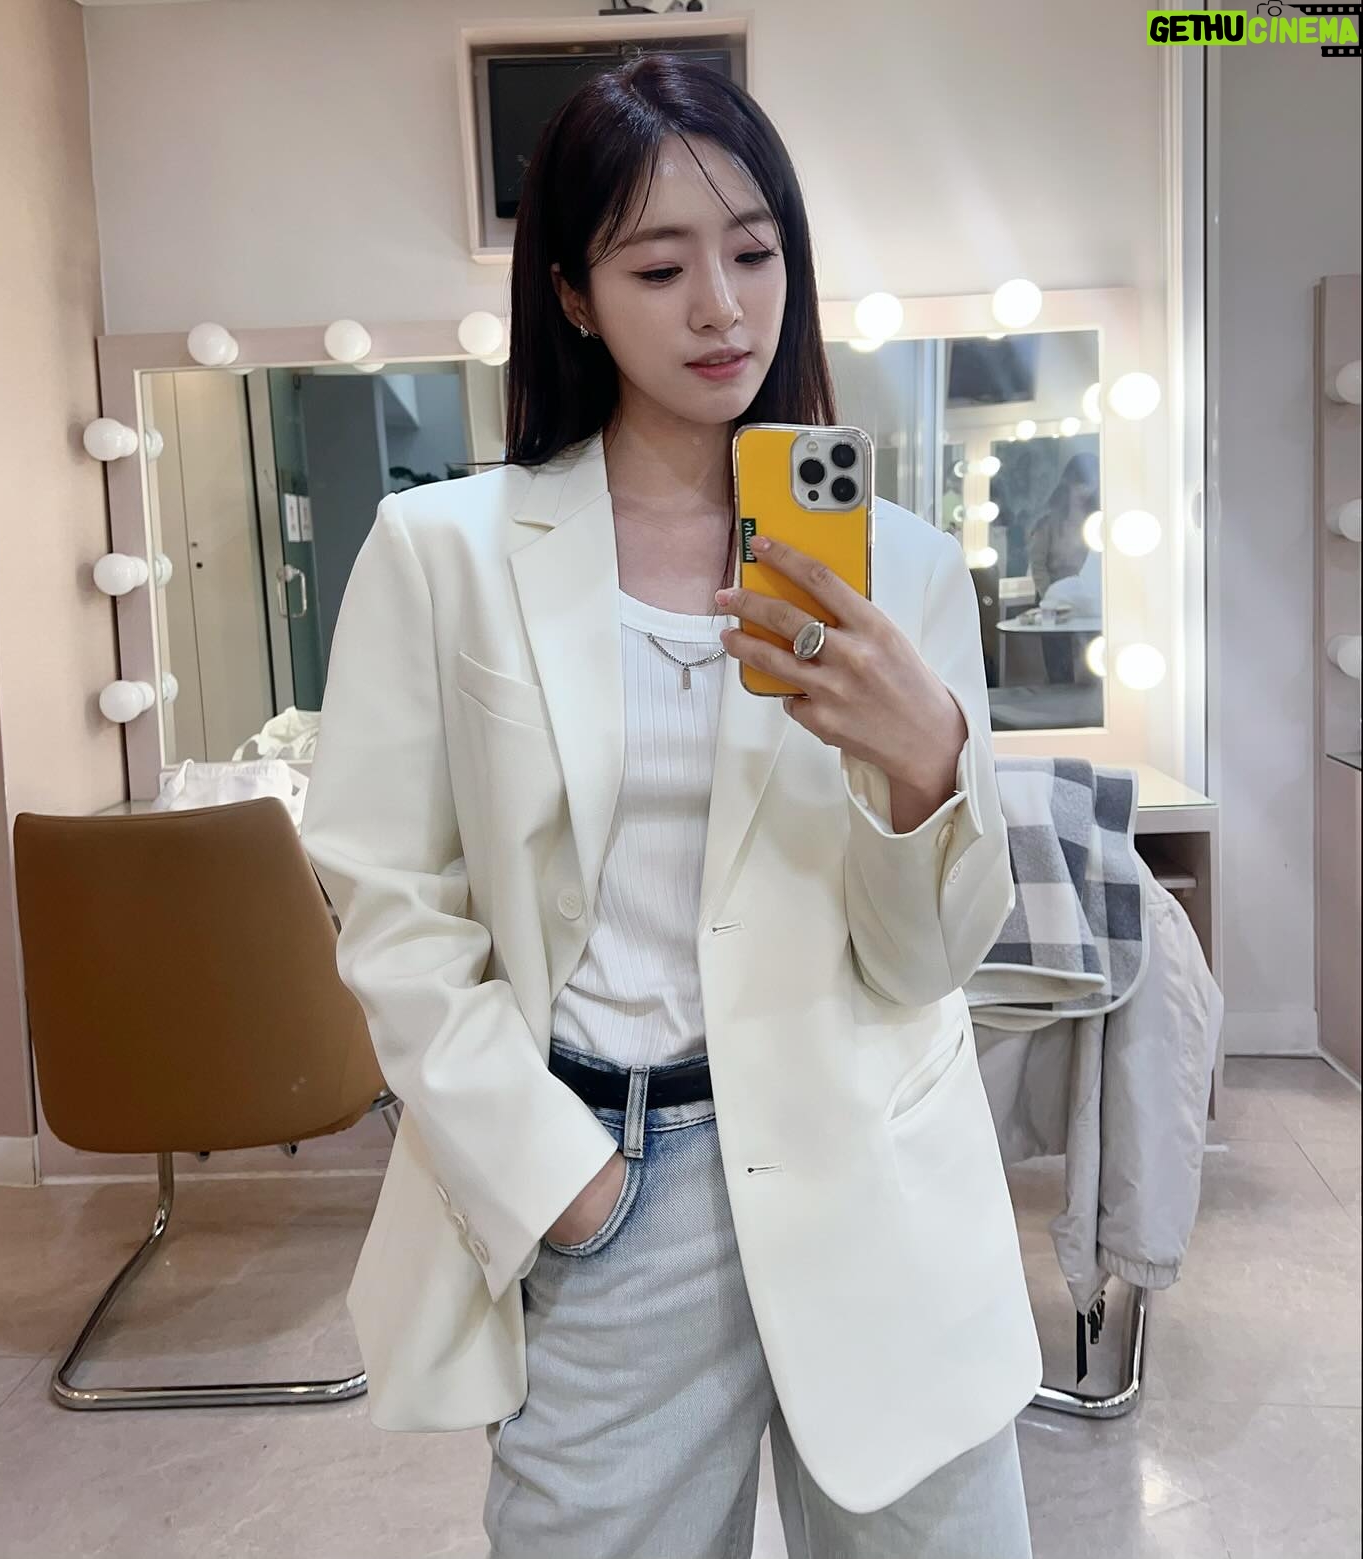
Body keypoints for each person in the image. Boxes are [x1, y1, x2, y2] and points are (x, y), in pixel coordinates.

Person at [300, 54, 1041, 1559]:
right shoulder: (443, 553)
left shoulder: (901, 569)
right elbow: (391, 906)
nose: (722, 306)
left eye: (755, 253)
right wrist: (556, 1179)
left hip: (877, 1178)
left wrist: (925, 767)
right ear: (573, 296)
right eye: (659, 266)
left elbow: (922, 960)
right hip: (609, 1187)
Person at [1026, 452, 1099, 684]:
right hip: (1053, 604)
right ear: (1068, 483)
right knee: (1059, 670)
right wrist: (1049, 597)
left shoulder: (1098, 524)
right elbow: (1038, 565)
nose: (1082, 491)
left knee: (1093, 663)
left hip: (1089, 601)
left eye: (1087, 484)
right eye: (1078, 484)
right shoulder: (1048, 524)